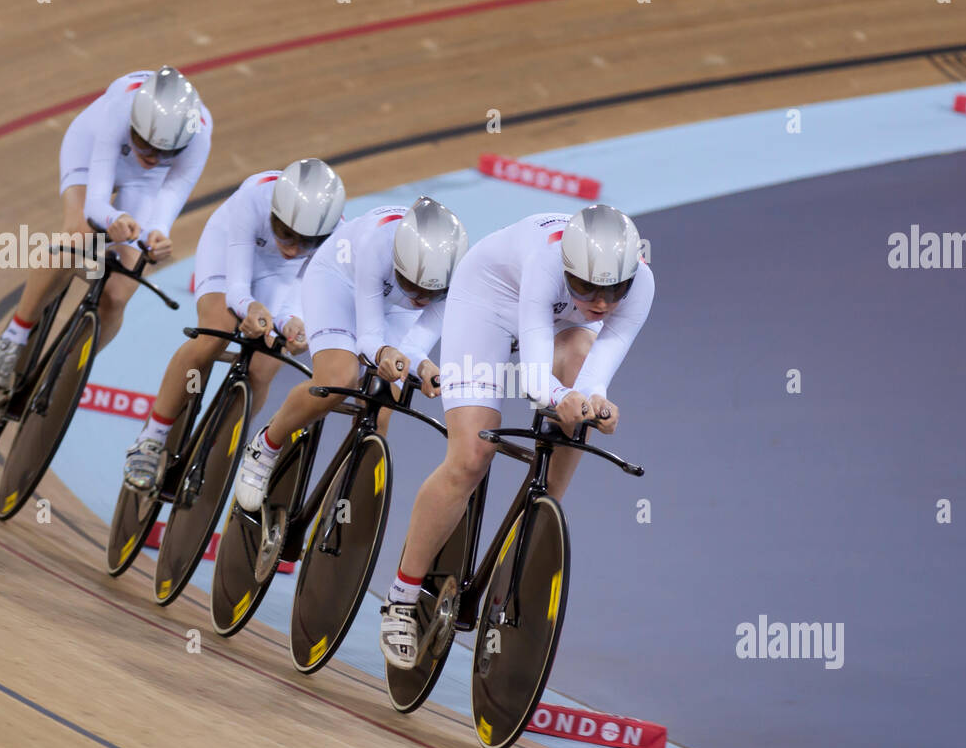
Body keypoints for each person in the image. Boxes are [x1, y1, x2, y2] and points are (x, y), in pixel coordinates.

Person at [378, 204, 655, 669]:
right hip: (488, 302)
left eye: (613, 290)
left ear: (631, 277)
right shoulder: (546, 264)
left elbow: (599, 363)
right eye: (587, 286)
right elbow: (532, 376)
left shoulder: (641, 286)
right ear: (569, 268)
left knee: (578, 384)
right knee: (470, 456)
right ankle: (402, 596)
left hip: (565, 323)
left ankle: (545, 509)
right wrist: (559, 396)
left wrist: (594, 402)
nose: (602, 302)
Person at [0, 66, 212, 389]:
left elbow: (170, 198)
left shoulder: (198, 135)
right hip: (91, 151)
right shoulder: (119, 110)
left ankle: (66, 375)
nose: (154, 156)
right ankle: (14, 337)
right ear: (134, 126)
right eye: (145, 144)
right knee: (78, 237)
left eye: (165, 152)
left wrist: (157, 236)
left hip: (144, 184)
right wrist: (113, 219)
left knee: (120, 291)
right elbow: (96, 203)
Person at [232, 196, 468, 511]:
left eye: (433, 294)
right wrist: (384, 351)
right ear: (399, 262)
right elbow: (369, 338)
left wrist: (424, 368)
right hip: (338, 281)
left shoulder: (457, 279)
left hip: (393, 306)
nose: (422, 301)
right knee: (338, 378)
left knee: (384, 400)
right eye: (413, 287)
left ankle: (341, 503)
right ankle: (266, 445)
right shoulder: (377, 244)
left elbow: (413, 347)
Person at [122, 159, 346, 489]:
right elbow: (238, 287)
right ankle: (152, 437)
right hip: (231, 251)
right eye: (285, 234)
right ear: (274, 214)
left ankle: (215, 452)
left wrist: (293, 322)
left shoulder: (339, 236)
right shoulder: (254, 199)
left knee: (267, 363)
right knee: (216, 333)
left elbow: (306, 289)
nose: (294, 248)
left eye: (307, 242)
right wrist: (251, 307)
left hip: (282, 278)